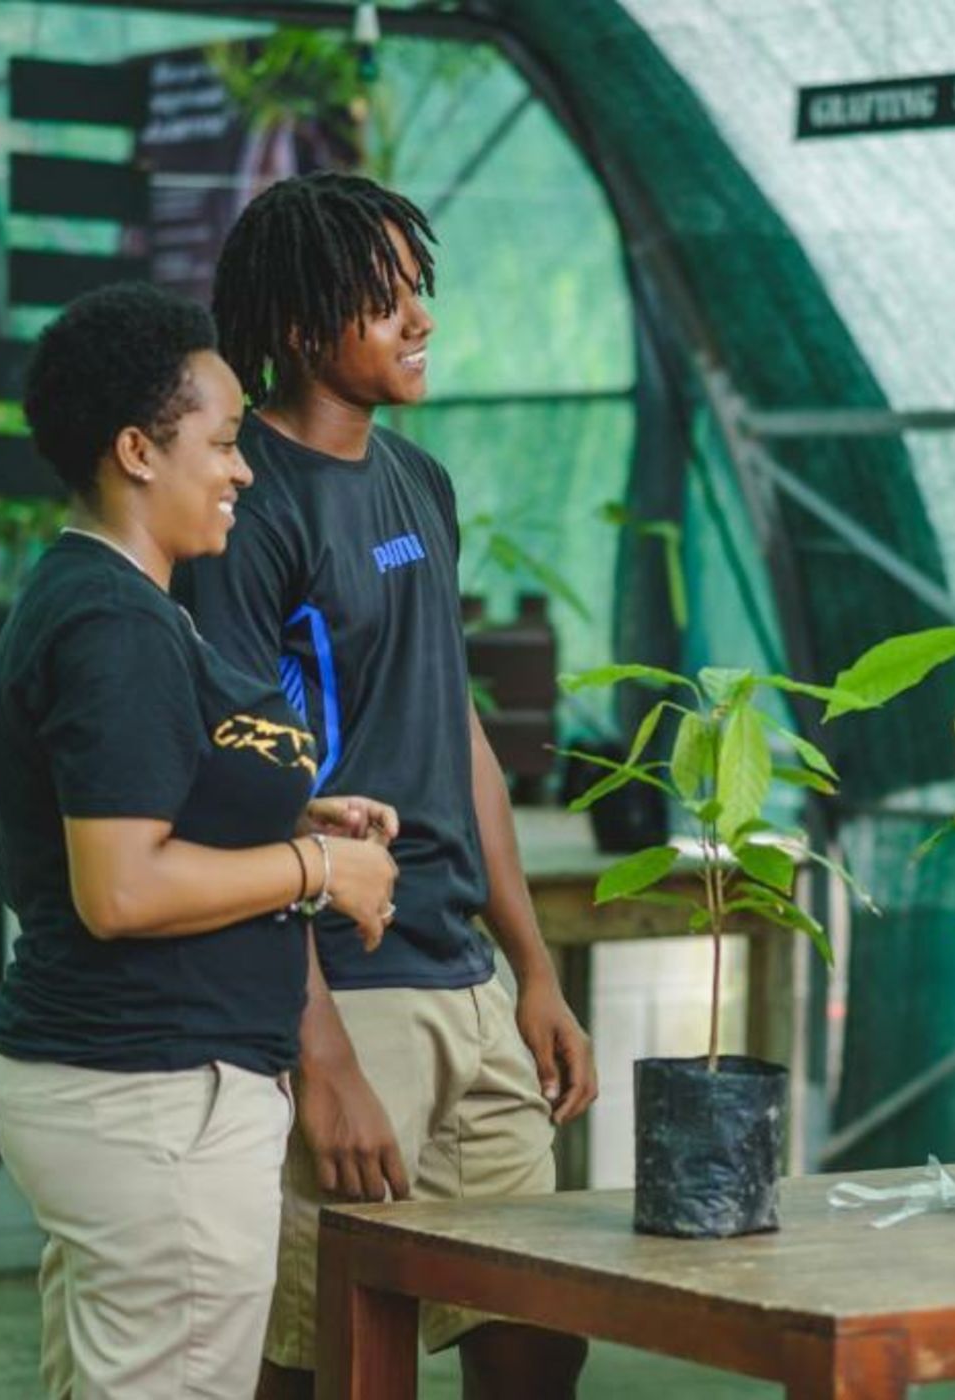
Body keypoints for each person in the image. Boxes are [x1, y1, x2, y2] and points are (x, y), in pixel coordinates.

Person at [180, 172, 598, 1400]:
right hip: (343, 990)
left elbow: (452, 723)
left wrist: (531, 967)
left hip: (464, 981)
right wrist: (324, 1059)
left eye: (420, 289)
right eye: (387, 297)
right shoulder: (239, 506)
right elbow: (234, 796)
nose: (421, 316)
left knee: (535, 1338)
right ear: (306, 326)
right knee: (333, 1360)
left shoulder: (419, 480)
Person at [0, 281, 400, 1400]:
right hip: (152, 1090)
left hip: (132, 1083)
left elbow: (151, 794)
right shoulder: (114, 624)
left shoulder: (116, 600)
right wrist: (322, 868)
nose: (244, 468)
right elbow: (119, 884)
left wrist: (290, 812)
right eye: (220, 441)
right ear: (136, 451)